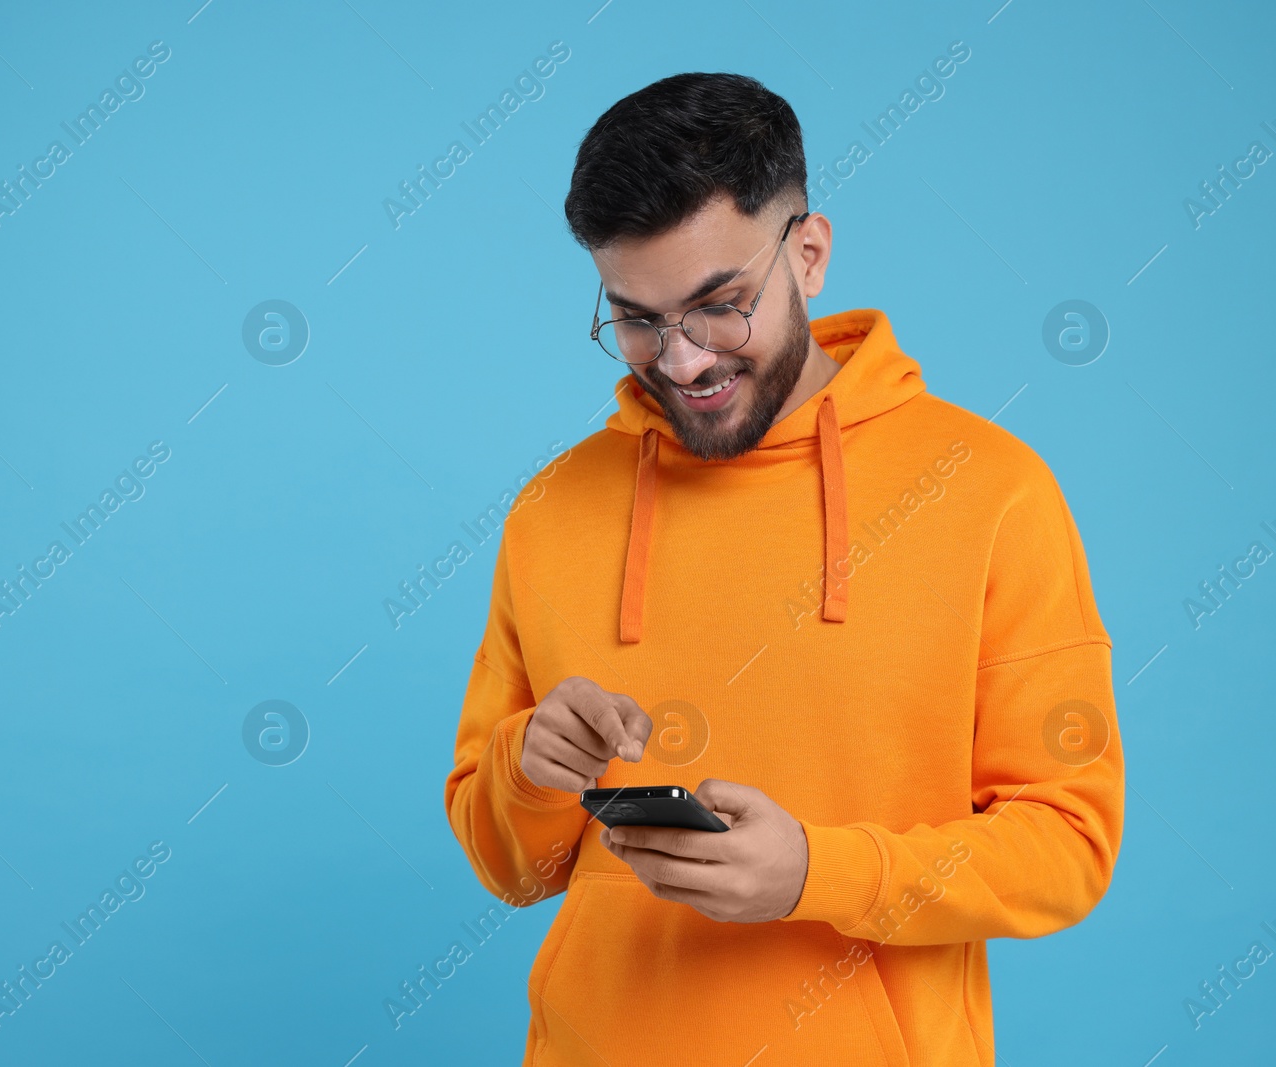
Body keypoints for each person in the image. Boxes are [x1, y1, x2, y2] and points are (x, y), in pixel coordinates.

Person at [443, 71, 1123, 1066]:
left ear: (808, 254)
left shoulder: (990, 490)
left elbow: (1068, 844)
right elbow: (510, 866)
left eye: (719, 305)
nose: (680, 362)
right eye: (635, 318)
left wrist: (818, 871)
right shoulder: (553, 509)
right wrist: (531, 770)